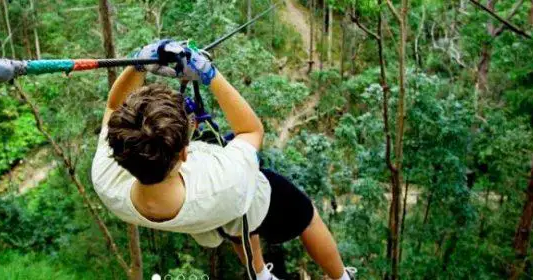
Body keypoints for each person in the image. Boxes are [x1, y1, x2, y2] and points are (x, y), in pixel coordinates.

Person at [91, 40, 352, 280]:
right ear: (185, 152)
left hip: (207, 220)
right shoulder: (226, 179)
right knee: (305, 214)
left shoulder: (107, 179)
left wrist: (137, 65)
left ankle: (260, 274)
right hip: (232, 202)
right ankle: (342, 277)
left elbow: (114, 108)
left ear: (118, 149)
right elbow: (252, 131)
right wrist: (210, 74)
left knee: (236, 224)